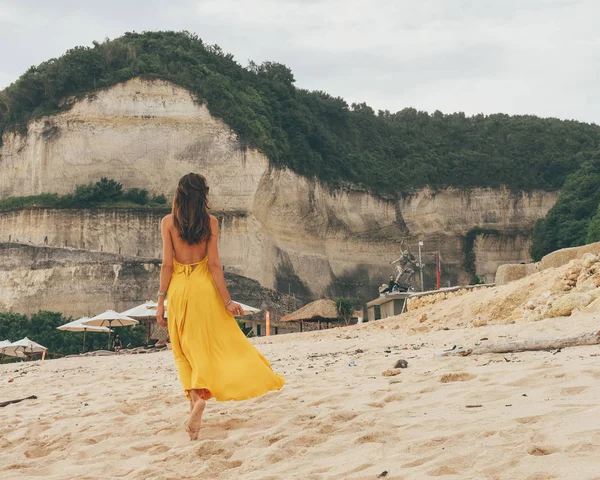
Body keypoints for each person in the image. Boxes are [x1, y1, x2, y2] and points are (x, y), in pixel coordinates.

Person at [155, 173, 285, 441]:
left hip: (180, 291)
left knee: (182, 350)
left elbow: (167, 265)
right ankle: (196, 408)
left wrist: (160, 301)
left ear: (178, 193)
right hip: (206, 292)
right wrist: (227, 301)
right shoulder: (211, 222)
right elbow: (214, 265)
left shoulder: (168, 222)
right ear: (204, 194)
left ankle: (195, 398)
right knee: (209, 346)